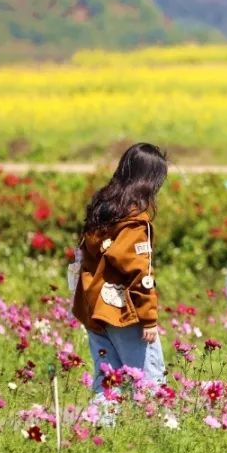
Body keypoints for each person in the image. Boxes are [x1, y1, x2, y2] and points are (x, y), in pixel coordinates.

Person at [71, 143, 168, 401]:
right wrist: (148, 318)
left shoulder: (102, 210)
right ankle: (157, 437)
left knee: (108, 382)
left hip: (94, 307)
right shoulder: (135, 223)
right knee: (149, 382)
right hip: (125, 314)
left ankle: (95, 435)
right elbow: (140, 272)